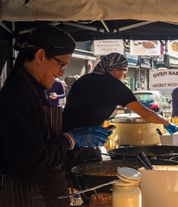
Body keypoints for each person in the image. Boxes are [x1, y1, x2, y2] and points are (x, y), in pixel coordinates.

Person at [0, 25, 112, 207]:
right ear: (40, 56)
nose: (62, 73)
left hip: (46, 193)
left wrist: (75, 142)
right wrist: (71, 139)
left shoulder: (33, 89)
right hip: (29, 196)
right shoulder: (18, 94)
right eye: (62, 64)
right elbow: (30, 161)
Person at [63, 53, 178, 166]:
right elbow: (145, 113)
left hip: (63, 136)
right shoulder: (116, 87)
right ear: (115, 70)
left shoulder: (84, 79)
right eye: (124, 72)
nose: (124, 76)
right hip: (83, 145)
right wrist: (167, 123)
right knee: (86, 177)